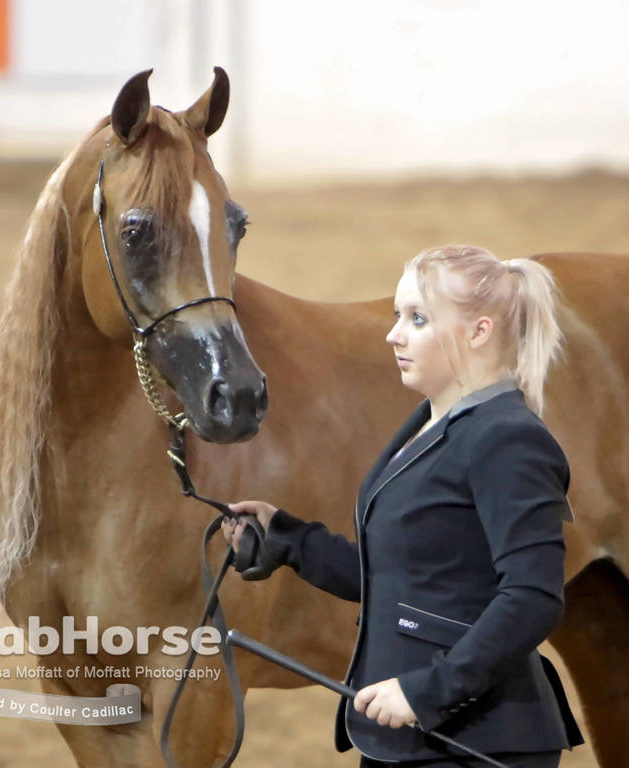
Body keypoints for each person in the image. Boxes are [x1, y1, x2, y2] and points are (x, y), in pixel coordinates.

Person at [224, 245, 583, 767]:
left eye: (417, 319)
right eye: (397, 316)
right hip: (406, 736)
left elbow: (533, 596)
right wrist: (290, 539)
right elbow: (405, 577)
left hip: (475, 741)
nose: (394, 334)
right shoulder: (426, 426)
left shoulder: (509, 439)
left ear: (478, 332)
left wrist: (425, 692)